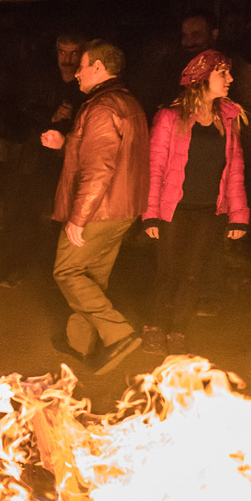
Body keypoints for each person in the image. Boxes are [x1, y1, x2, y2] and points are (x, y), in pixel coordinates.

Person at [41, 39, 149, 375]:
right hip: (123, 207)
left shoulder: (102, 108)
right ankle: (81, 343)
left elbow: (99, 169)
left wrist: (78, 218)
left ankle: (119, 335)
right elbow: (102, 154)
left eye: (82, 66)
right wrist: (66, 143)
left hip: (99, 210)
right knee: (92, 276)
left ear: (98, 68)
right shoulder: (126, 102)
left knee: (68, 271)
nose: (76, 73)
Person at [141, 50, 249, 355]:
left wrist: (238, 215)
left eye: (228, 73)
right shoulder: (170, 117)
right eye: (223, 73)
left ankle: (177, 330)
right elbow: (155, 166)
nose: (230, 79)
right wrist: (150, 214)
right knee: (167, 272)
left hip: (208, 211)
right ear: (203, 78)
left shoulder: (227, 118)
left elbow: (234, 169)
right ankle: (154, 325)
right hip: (173, 210)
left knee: (192, 273)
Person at [0, 33, 86, 288]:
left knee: (62, 219)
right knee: (24, 213)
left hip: (69, 164)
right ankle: (17, 265)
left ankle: (57, 274)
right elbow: (18, 108)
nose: (67, 60)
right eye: (62, 52)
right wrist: (50, 115)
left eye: (73, 53)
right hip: (36, 161)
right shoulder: (41, 78)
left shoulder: (86, 85)